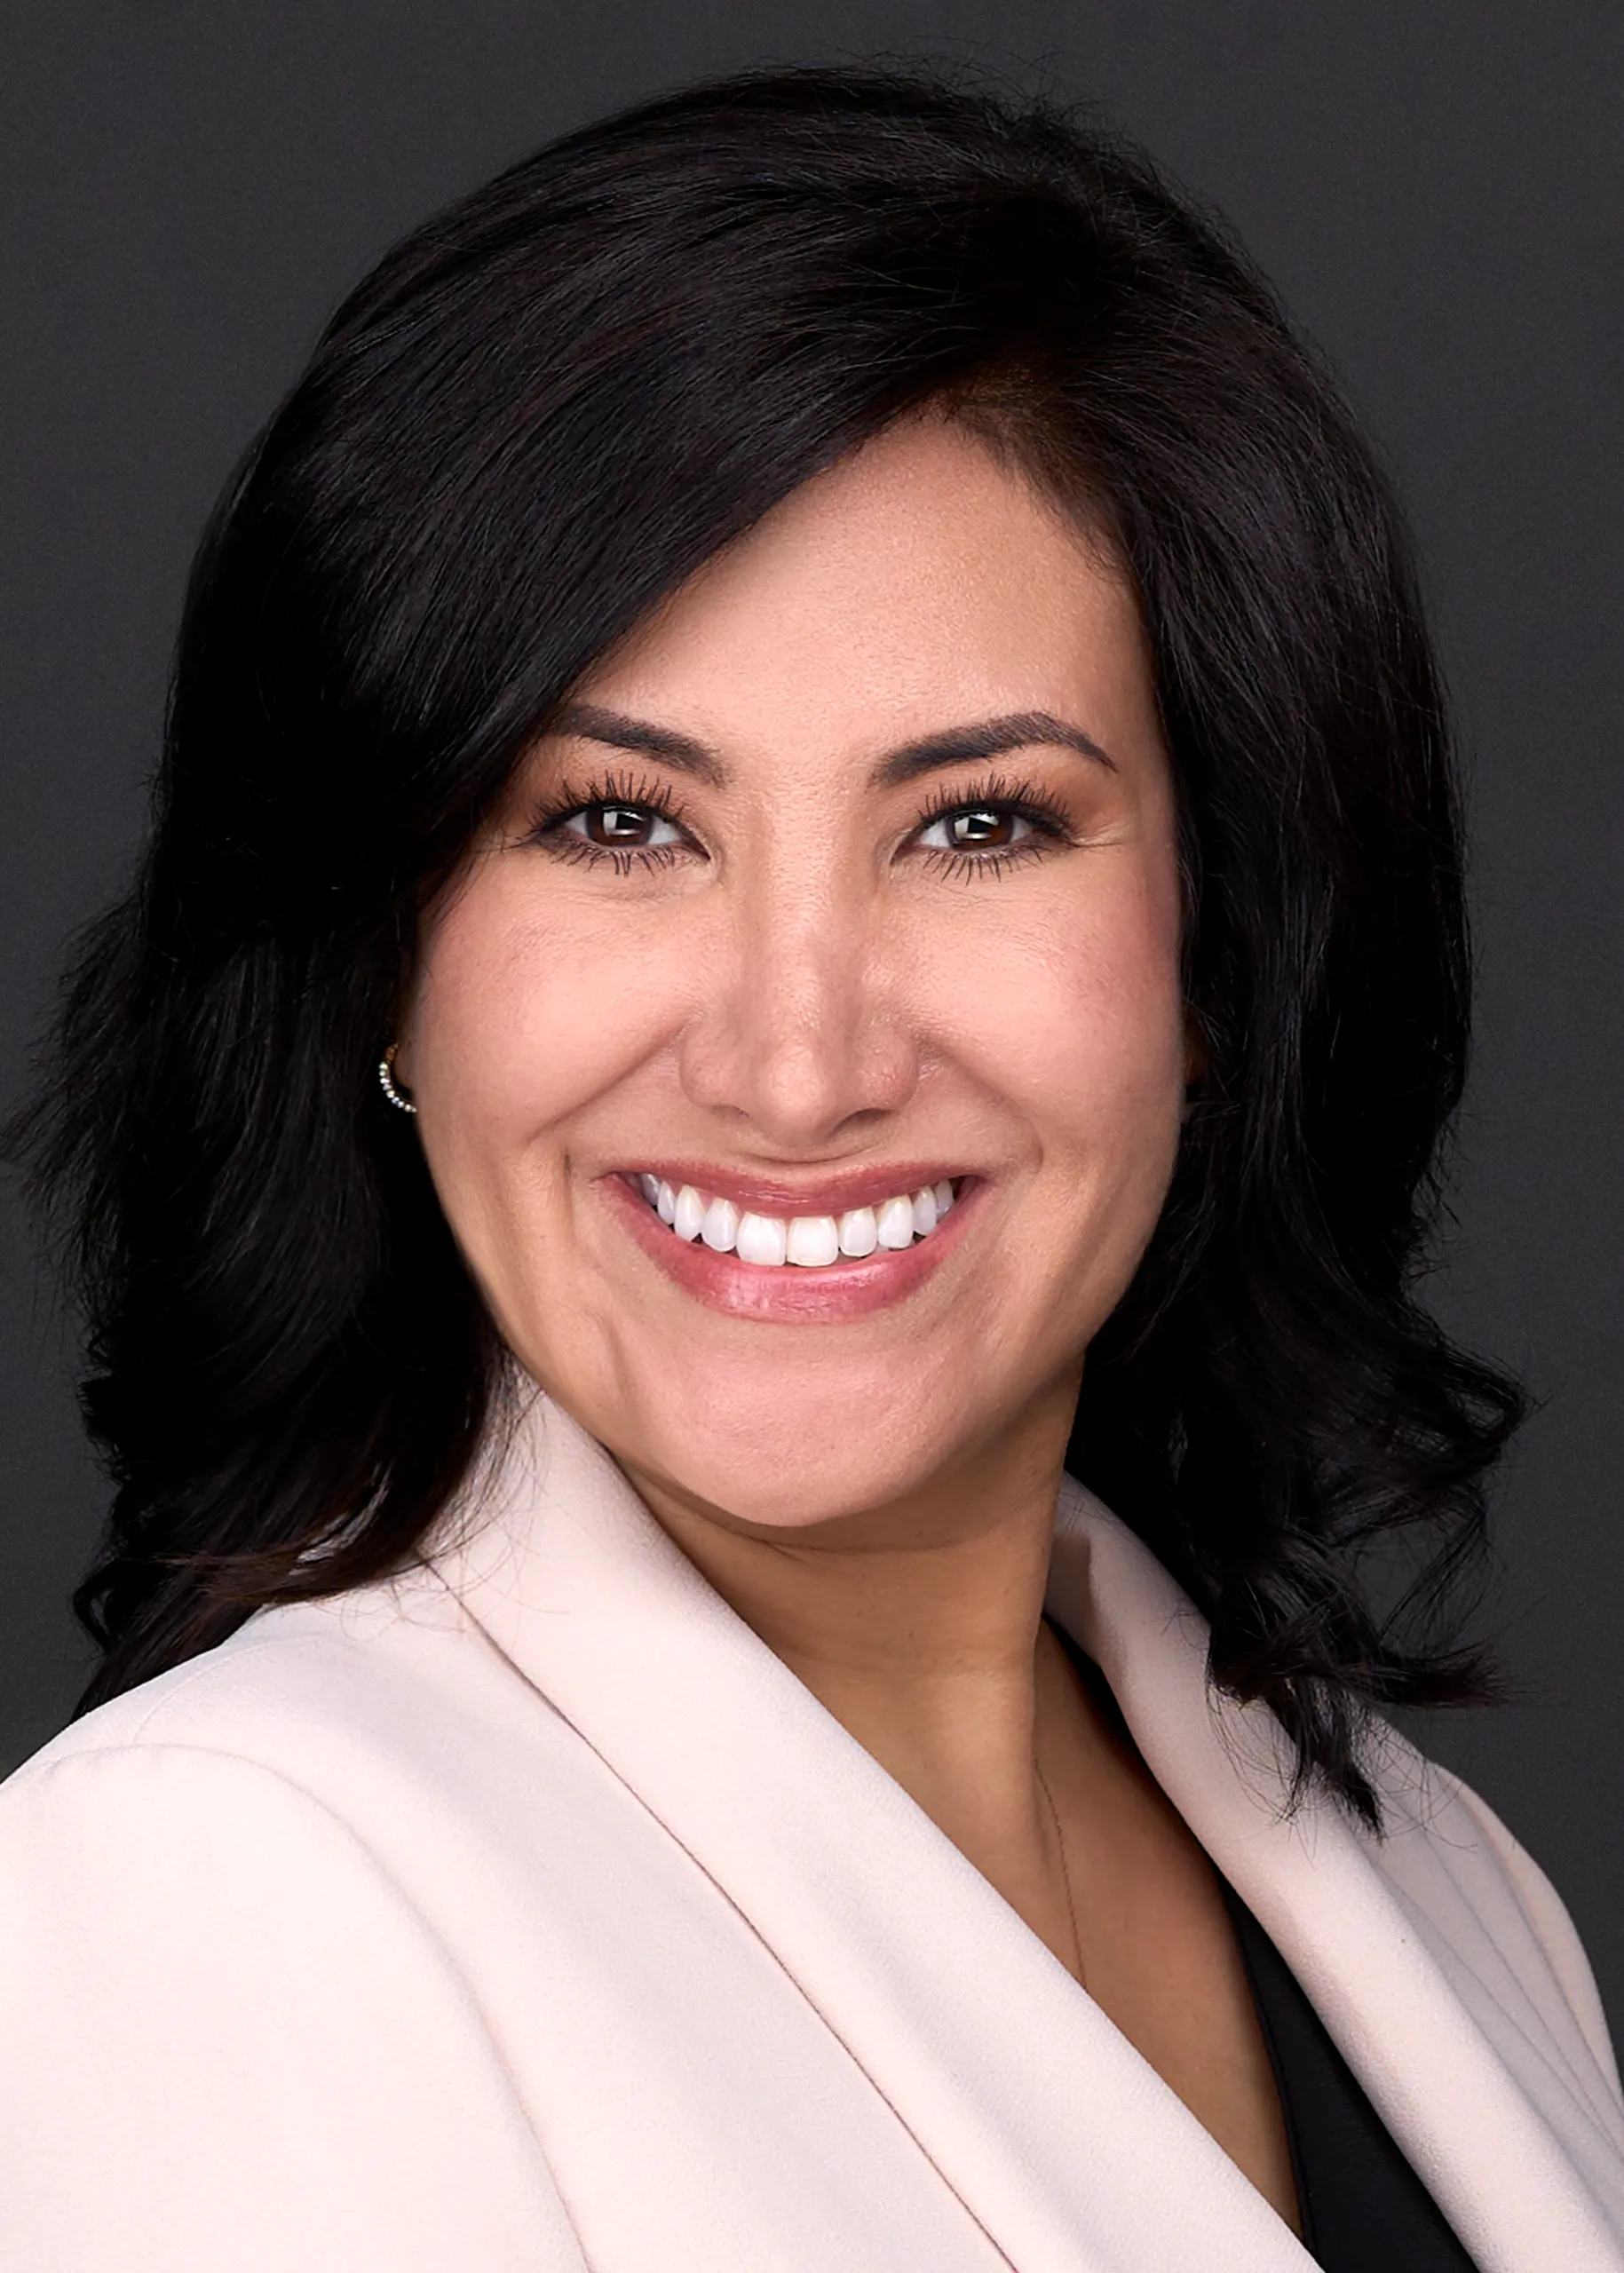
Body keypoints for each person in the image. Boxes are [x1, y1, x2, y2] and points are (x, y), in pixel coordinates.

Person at [0, 62, 1619, 2273]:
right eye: (615, 823)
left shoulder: (1438, 1891)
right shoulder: (224, 1893)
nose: (793, 1059)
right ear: (382, 956)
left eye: (976, 824)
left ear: (1214, 956)